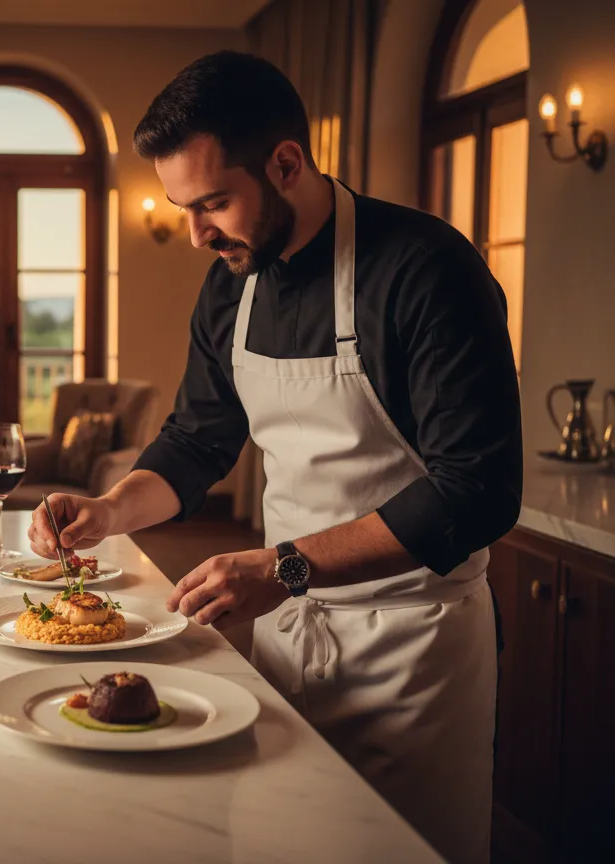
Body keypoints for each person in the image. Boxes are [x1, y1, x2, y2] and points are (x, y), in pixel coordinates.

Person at [26, 51, 521, 864]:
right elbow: (196, 439)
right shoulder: (231, 284)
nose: (196, 234)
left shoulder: (428, 271)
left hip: (412, 651)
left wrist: (282, 566)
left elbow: (477, 491)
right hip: (284, 630)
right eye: (183, 207)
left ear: (287, 164)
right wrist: (110, 512)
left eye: (214, 202)